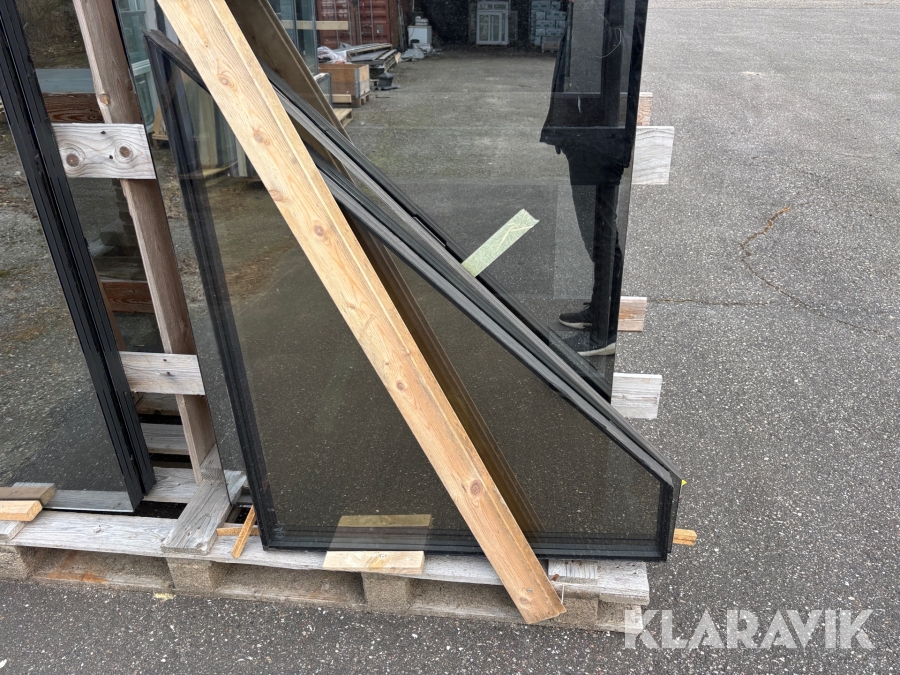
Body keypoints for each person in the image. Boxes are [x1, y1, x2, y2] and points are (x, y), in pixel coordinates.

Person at [541, 0, 633, 357]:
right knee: (595, 230)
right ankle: (601, 309)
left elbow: (600, 80)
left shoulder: (601, 16)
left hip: (598, 138)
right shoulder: (592, 14)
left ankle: (607, 328)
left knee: (600, 232)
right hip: (588, 135)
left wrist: (578, 132)